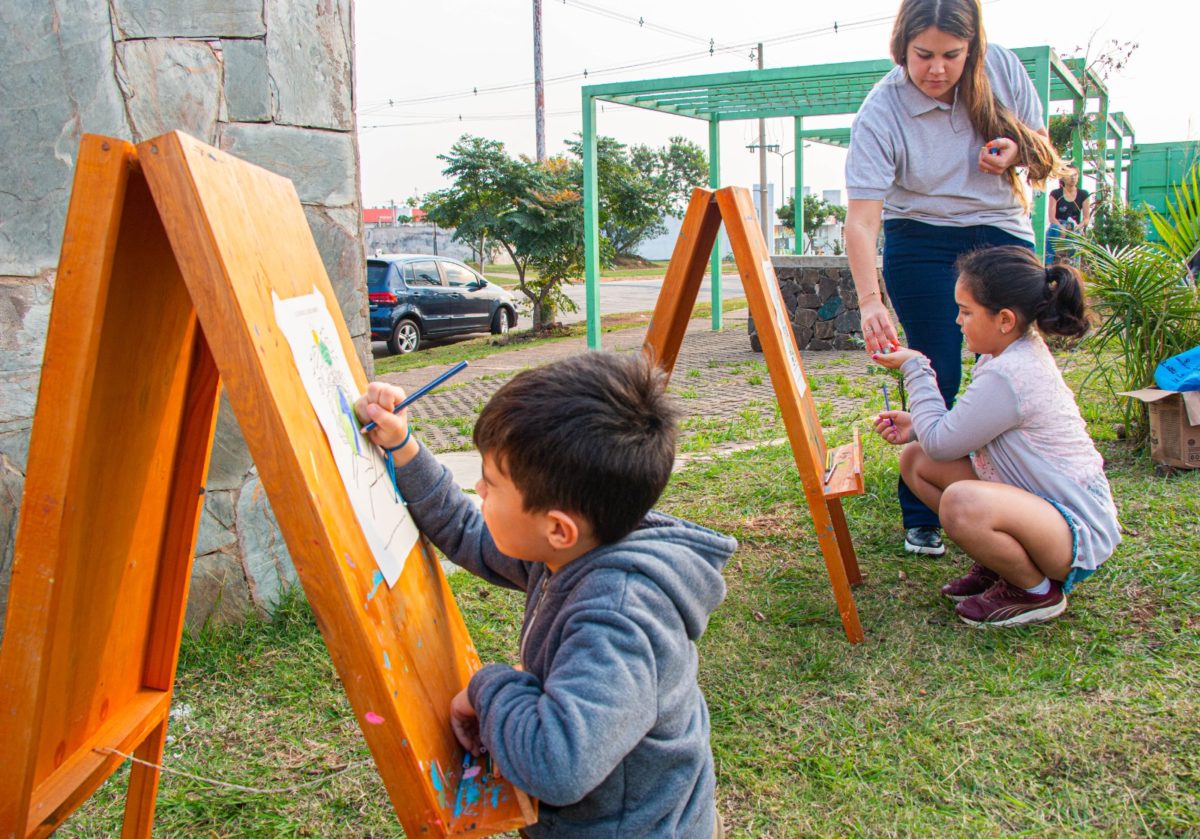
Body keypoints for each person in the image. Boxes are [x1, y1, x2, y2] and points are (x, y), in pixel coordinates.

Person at [355, 352, 736, 838]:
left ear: (557, 527)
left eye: (490, 484)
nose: (478, 489)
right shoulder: (574, 548)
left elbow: (556, 766)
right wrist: (403, 447)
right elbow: (467, 531)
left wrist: (487, 686)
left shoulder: (617, 619)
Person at [844, 0, 1065, 557]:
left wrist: (1017, 150)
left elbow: (1045, 158)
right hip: (919, 235)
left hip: (1000, 232)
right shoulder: (882, 108)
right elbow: (863, 219)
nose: (936, 69)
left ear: (974, 49)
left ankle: (1030, 498)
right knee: (934, 366)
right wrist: (871, 301)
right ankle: (925, 510)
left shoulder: (1005, 71)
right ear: (901, 48)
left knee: (1012, 370)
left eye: (951, 56)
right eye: (923, 56)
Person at [871, 246, 1120, 627]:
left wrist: (915, 366)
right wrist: (917, 423)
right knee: (917, 460)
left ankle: (1036, 592)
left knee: (960, 502)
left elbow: (944, 442)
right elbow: (952, 433)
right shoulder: (1005, 356)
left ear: (1004, 319)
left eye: (966, 312)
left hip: (1073, 531)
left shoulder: (1013, 372)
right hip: (1041, 512)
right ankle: (1003, 564)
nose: (958, 321)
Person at [1045, 167, 1091, 263]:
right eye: (1070, 175)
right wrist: (1062, 228)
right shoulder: (1055, 194)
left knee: (1076, 238)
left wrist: (1078, 226)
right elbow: (1052, 218)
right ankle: (1048, 262)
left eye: (1075, 175)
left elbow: (1086, 218)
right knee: (1052, 230)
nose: (1073, 178)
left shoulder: (1083, 194)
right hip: (1059, 224)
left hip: (1074, 226)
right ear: (1062, 177)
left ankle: (1074, 263)